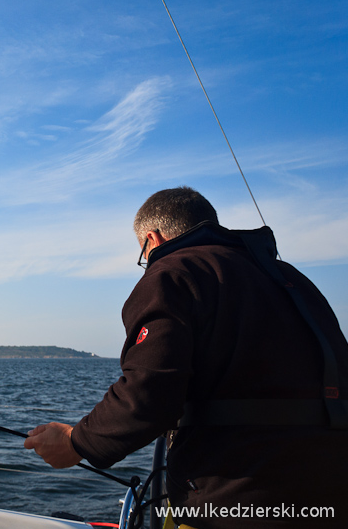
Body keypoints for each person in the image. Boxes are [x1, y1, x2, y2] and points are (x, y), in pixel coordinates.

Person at [24, 187, 348, 529]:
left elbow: (149, 392)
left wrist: (77, 442)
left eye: (143, 254)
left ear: (152, 238)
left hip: (235, 502)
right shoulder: (294, 280)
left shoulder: (172, 273)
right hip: (331, 494)